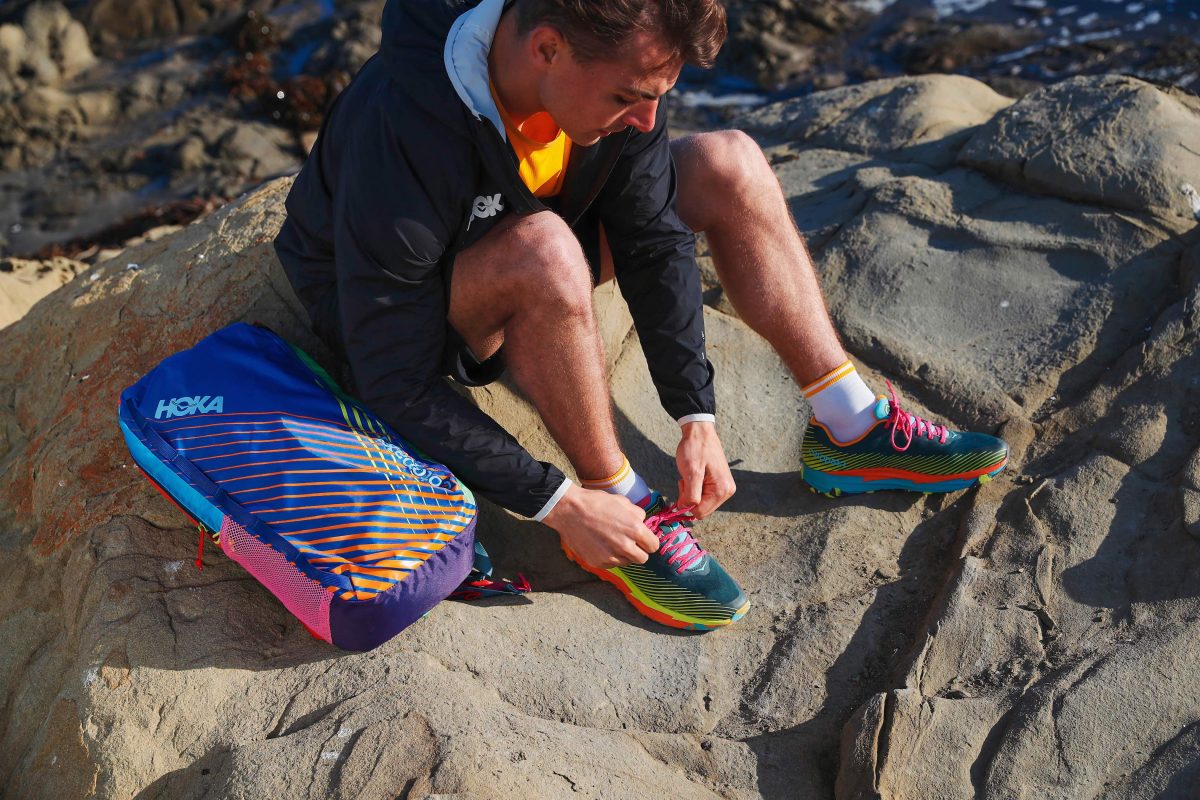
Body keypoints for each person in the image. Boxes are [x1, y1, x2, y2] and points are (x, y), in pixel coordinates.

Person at [274, 0, 1009, 631]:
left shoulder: (613, 81)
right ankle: (617, 509)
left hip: (534, 226)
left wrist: (696, 413)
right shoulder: (407, 121)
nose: (649, 118)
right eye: (629, 95)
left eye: (659, 95)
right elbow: (390, 374)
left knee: (728, 161)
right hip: (422, 301)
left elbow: (652, 235)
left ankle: (849, 424)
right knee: (546, 251)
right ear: (546, 48)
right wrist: (558, 504)